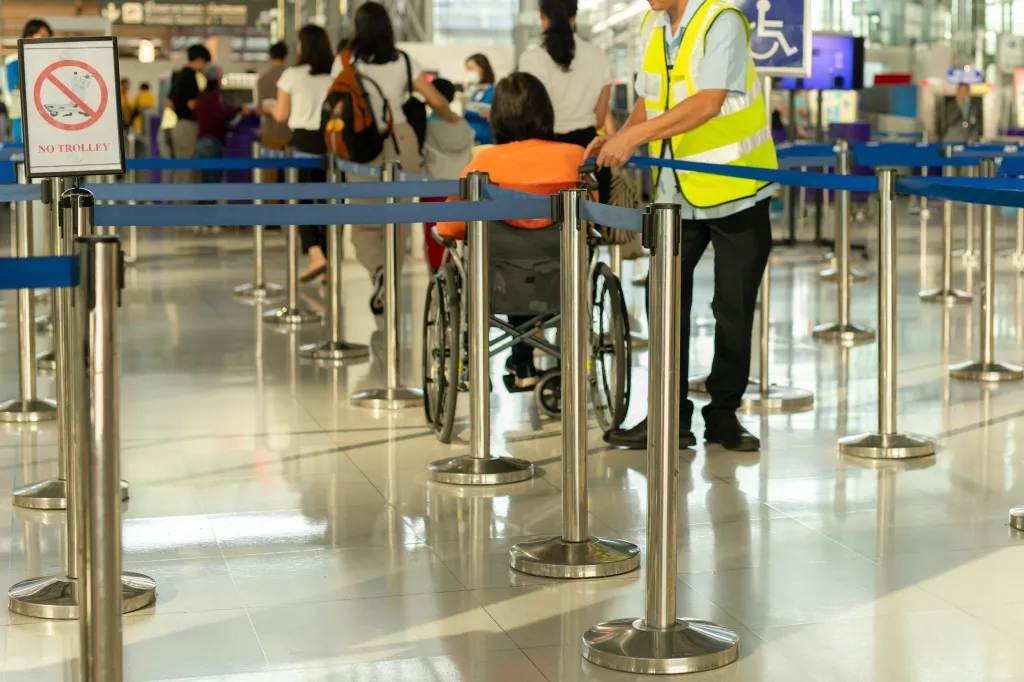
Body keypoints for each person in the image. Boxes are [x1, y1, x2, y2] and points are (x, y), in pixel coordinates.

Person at [587, 0, 778, 452]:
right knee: (665, 303)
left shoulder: (721, 20)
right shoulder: (655, 26)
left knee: (732, 310)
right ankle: (670, 416)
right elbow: (649, 100)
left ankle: (724, 415)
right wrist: (620, 135)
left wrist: (632, 138)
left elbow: (708, 102)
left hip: (736, 189)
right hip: (676, 194)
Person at [437, 72, 585, 387]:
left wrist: (448, 232)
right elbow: (592, 216)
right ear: (546, 111)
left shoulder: (485, 162)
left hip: (499, 275)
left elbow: (450, 225)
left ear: (498, 116)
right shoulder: (576, 157)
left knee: (504, 262)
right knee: (540, 264)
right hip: (560, 271)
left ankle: (515, 364)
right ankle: (540, 365)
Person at [343, 1, 461, 314]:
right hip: (402, 141)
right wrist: (453, 119)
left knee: (363, 222)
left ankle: (378, 270)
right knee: (398, 219)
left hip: (363, 142)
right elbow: (434, 99)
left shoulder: (348, 61)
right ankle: (391, 279)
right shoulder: (405, 61)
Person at [519, 0, 613, 203]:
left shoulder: (532, 58)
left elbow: (528, 114)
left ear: (541, 16)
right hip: (587, 153)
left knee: (547, 226)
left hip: (545, 153)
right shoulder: (598, 57)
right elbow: (599, 119)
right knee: (588, 228)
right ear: (575, 16)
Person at [265, 25, 335, 282]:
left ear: (303, 46)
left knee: (301, 200)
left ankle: (316, 255)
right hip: (330, 143)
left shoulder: (292, 75)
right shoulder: (334, 75)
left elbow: (282, 115)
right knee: (328, 202)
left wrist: (269, 108)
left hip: (303, 142)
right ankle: (329, 260)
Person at [422, 77, 474, 273]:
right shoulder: (466, 127)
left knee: (434, 234)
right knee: (458, 232)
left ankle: (436, 271)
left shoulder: (427, 127)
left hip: (433, 185)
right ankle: (458, 268)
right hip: (458, 186)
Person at [3, 19, 52, 144]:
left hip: (49, 129)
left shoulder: (51, 63)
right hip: (24, 129)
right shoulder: (14, 63)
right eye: (42, 36)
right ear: (28, 37)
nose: (47, 39)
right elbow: (16, 95)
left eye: (48, 36)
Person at [168, 44, 212, 184]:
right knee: (188, 168)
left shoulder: (178, 75)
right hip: (188, 126)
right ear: (199, 60)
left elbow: (168, 103)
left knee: (180, 167)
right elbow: (192, 104)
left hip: (178, 125)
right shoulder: (191, 76)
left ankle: (177, 202)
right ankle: (185, 204)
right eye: (205, 62)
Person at [196, 67, 244, 188]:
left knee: (206, 181)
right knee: (213, 182)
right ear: (218, 79)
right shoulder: (214, 96)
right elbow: (221, 114)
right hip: (212, 142)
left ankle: (206, 205)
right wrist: (240, 109)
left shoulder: (202, 96)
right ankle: (210, 207)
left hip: (202, 141)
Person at [257, 41, 293, 175]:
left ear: (269, 56)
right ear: (286, 57)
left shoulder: (263, 78)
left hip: (270, 132)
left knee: (270, 176)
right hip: (290, 132)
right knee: (292, 174)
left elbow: (259, 107)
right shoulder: (292, 76)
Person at [463, 53, 496, 146]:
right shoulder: (475, 92)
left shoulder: (492, 91)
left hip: (486, 141)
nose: (468, 72)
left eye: (471, 68)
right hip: (471, 141)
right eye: (467, 69)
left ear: (482, 69)